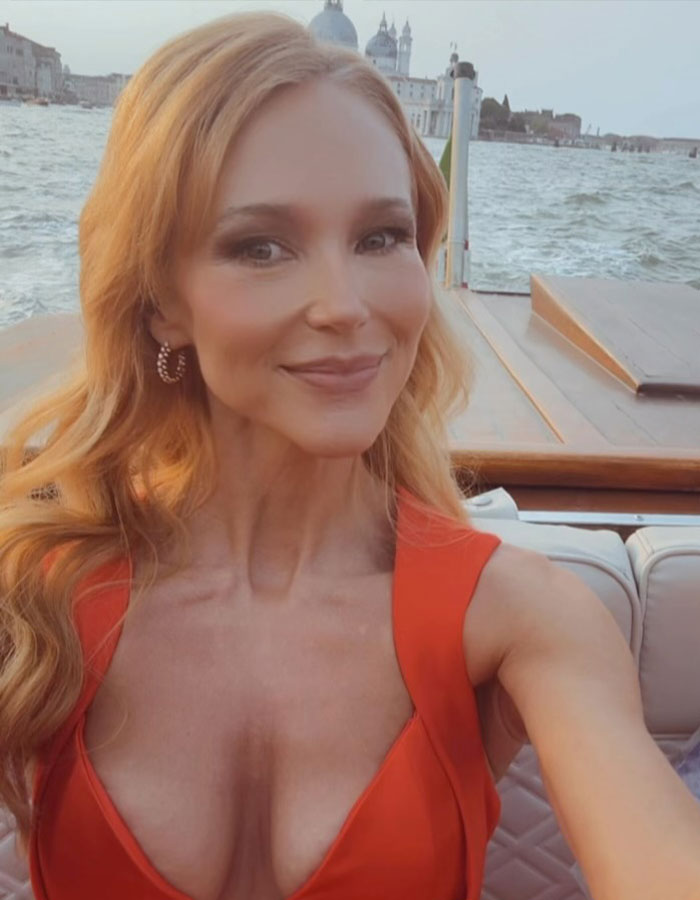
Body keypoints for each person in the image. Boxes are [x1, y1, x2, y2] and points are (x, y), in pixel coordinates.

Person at [1, 11, 699, 900]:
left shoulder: (521, 616)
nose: (343, 305)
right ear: (159, 305)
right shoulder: (37, 584)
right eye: (261, 247)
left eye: (380, 238)